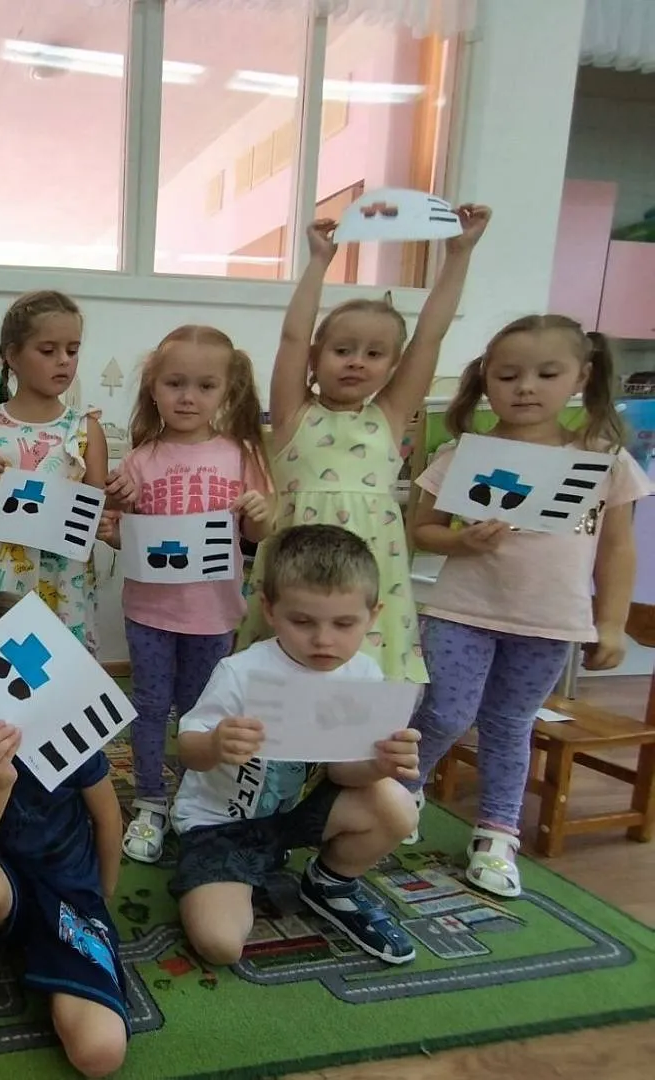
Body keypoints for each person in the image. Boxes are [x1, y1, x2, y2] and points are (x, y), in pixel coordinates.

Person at [404, 316, 654, 896]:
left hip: (549, 621)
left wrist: (611, 623)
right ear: (485, 380)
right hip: (462, 611)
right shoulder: (464, 453)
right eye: (508, 375)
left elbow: (618, 549)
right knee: (444, 712)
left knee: (509, 724)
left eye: (547, 374)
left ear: (581, 377)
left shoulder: (605, 459)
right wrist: (461, 540)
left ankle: (497, 833)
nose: (525, 388)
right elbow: (423, 530)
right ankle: (403, 788)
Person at [241, 207, 492, 680]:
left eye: (374, 354)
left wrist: (459, 254)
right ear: (315, 359)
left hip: (372, 565)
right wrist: (319, 261)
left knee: (366, 675)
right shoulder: (294, 415)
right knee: (283, 673)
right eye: (342, 350)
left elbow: (430, 337)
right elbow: (293, 337)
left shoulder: (389, 415)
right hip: (295, 563)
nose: (357, 362)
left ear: (394, 366)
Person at [175, 526, 422, 967]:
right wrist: (215, 743)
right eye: (303, 621)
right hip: (220, 826)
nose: (324, 640)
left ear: (373, 615)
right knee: (220, 944)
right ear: (270, 610)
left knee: (397, 803)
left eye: (344, 623)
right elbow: (187, 751)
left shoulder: (363, 674)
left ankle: (330, 882)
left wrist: (380, 765)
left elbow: (344, 772)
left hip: (296, 813)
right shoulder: (240, 672)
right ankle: (234, 876)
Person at [0, 592, 128, 1079]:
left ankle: (59, 972)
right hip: (4, 892)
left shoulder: (73, 725)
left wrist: (102, 894)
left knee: (100, 1053)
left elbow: (108, 817)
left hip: (70, 896)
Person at [98, 325, 275, 864]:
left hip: (214, 614)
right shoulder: (139, 460)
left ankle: (197, 800)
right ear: (153, 387)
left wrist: (260, 514)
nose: (188, 397)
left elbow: (257, 534)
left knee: (202, 713)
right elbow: (122, 534)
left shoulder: (242, 455)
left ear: (227, 391)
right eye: (174, 383)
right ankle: (150, 800)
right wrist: (113, 525)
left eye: (205, 386)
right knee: (150, 707)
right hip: (149, 611)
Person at [0, 291, 109, 651]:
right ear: (12, 356)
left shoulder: (84, 429)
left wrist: (116, 503)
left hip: (61, 577)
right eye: (48, 350)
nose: (64, 361)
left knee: (57, 667)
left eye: (72, 350)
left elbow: (96, 512)